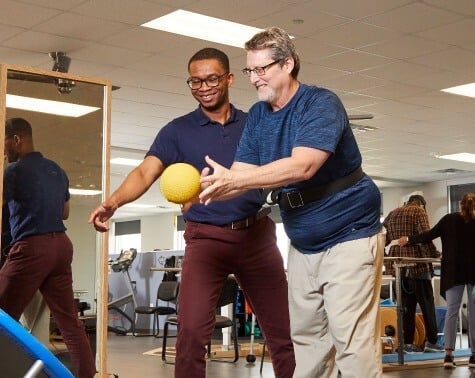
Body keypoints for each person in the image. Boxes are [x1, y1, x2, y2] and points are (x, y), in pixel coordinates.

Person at [89, 47, 295, 378]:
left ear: (228, 78)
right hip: (205, 239)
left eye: (211, 78)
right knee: (191, 335)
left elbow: (285, 167)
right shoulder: (177, 131)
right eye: (195, 81)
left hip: (256, 236)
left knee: (284, 333)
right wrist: (113, 202)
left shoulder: (257, 122)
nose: (204, 87)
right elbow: (146, 172)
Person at [199, 27, 385, 378]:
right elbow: (242, 173)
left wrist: (236, 179)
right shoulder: (257, 116)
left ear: (288, 64)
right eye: (250, 71)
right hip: (302, 239)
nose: (254, 79)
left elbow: (303, 166)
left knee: (350, 341)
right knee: (307, 340)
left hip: (350, 232)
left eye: (261, 69)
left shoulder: (320, 103)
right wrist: (210, 188)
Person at [0, 117, 96, 378]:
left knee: (2, 317)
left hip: (32, 248)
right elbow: (64, 213)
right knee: (70, 323)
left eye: (5, 142)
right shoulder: (57, 169)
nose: (4, 149)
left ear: (16, 140)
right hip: (61, 247)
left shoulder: (13, 172)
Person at [398, 192, 475, 368]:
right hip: (473, 273)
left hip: (452, 271)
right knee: (474, 314)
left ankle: (448, 356)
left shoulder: (449, 219)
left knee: (451, 313)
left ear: (459, 205)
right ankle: (474, 357)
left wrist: (408, 239)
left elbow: (428, 235)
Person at [383, 194, 443, 354]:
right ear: (421, 205)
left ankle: (407, 343)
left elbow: (384, 239)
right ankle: (432, 342)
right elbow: (425, 237)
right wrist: (435, 256)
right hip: (418, 266)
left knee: (405, 307)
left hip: (398, 267)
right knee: (427, 306)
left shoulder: (392, 213)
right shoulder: (418, 212)